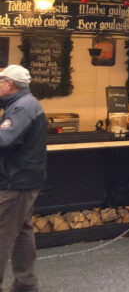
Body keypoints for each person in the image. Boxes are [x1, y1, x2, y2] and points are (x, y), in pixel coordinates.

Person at [0, 65, 47, 292]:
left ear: (10, 85)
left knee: (2, 235)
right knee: (21, 232)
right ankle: (26, 284)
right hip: (25, 180)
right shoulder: (24, 104)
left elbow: (4, 139)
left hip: (15, 182)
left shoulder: (21, 108)